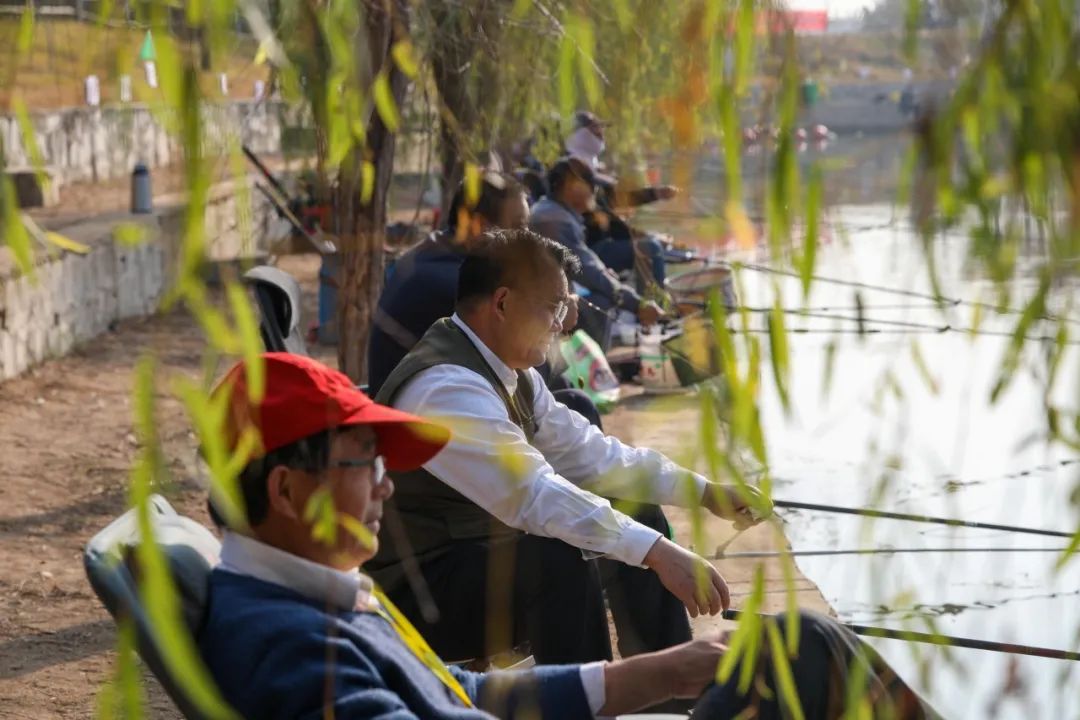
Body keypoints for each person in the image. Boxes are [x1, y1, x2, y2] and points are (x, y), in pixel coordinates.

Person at [197, 352, 934, 719]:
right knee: (808, 653)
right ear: (287, 490)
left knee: (792, 648)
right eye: (365, 465)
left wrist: (664, 671)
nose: (387, 485)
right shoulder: (289, 644)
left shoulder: (313, 594)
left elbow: (458, 690)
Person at [368, 228, 764, 669]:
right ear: (502, 303)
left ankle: (668, 690)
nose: (563, 322)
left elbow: (591, 454)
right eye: (554, 306)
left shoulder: (508, 368)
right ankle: (588, 702)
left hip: (477, 550)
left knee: (637, 511)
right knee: (556, 561)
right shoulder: (446, 388)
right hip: (420, 590)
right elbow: (532, 495)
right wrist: (657, 551)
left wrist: (704, 491)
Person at [367, 172, 602, 427]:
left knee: (565, 393)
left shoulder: (438, 254)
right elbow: (524, 363)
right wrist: (557, 316)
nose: (528, 239)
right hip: (424, 428)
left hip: (450, 401)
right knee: (576, 404)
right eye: (519, 226)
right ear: (478, 225)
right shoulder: (455, 282)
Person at [529, 157, 665, 329]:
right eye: (590, 184)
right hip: (541, 311)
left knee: (605, 287)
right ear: (571, 186)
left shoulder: (554, 211)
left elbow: (587, 263)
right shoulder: (554, 221)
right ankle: (651, 324)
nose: (595, 190)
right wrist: (637, 305)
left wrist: (606, 277)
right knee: (603, 300)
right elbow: (587, 270)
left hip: (550, 299)